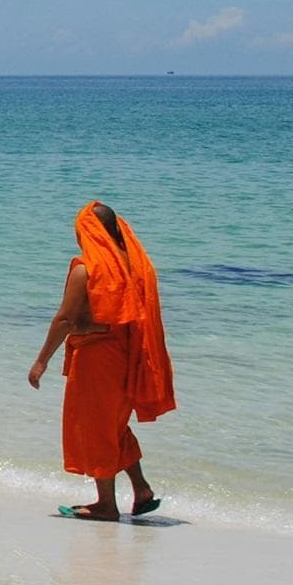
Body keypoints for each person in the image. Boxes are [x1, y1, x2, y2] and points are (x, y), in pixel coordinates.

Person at [28, 201, 175, 520]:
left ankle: (106, 504)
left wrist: (41, 361)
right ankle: (141, 489)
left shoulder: (87, 269)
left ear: (91, 232)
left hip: (97, 359)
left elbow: (65, 319)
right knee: (115, 425)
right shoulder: (134, 264)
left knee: (96, 428)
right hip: (128, 356)